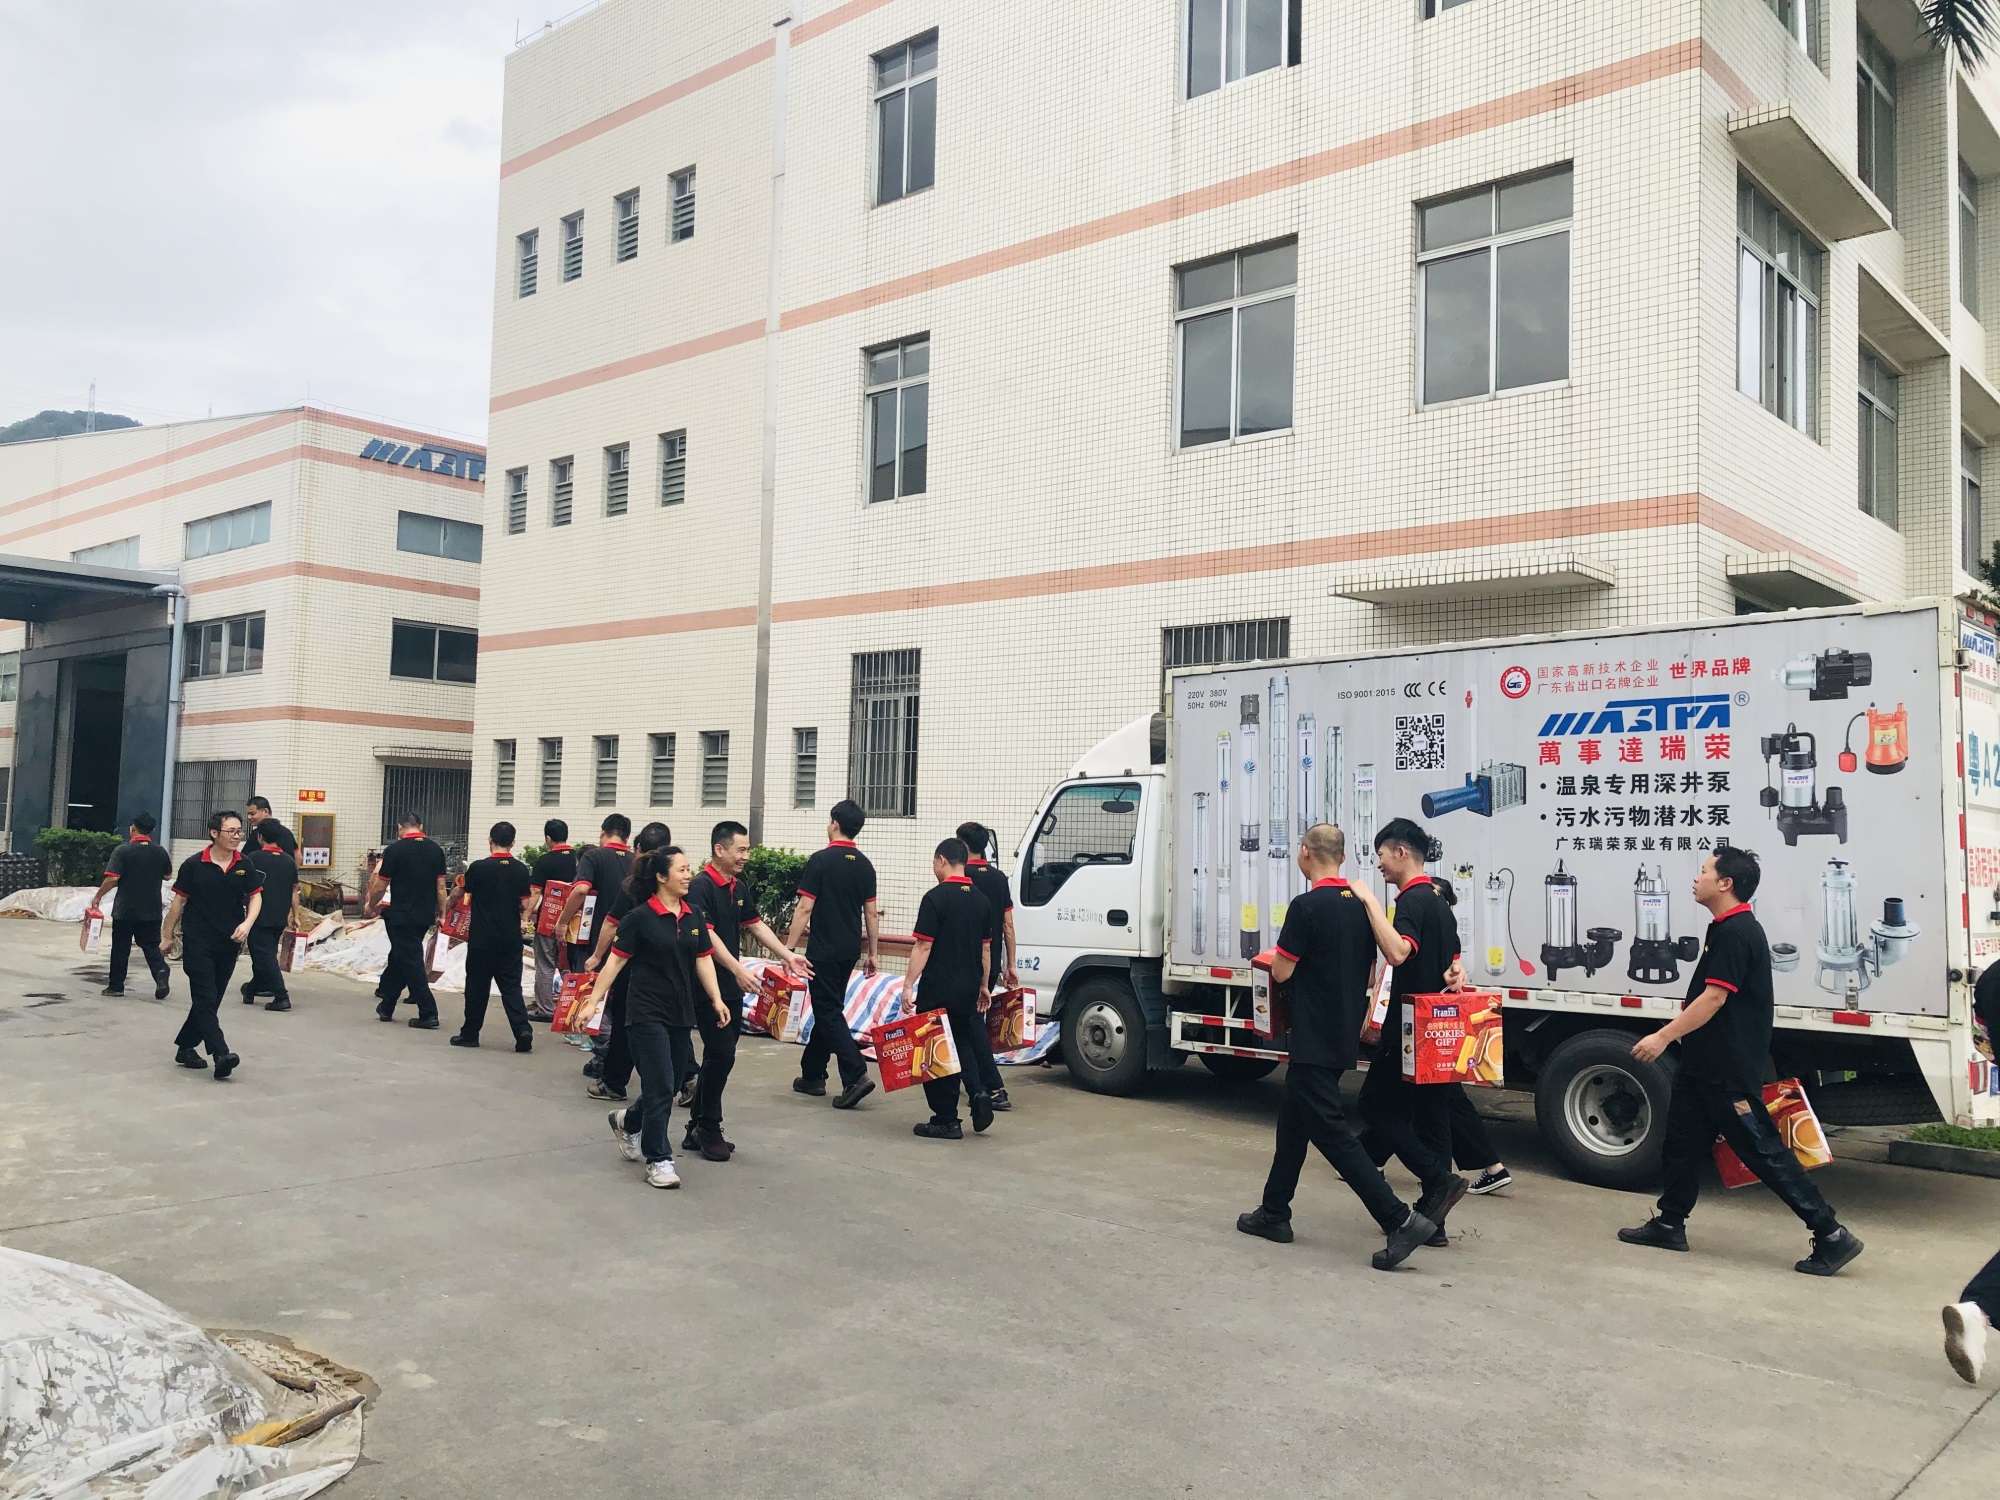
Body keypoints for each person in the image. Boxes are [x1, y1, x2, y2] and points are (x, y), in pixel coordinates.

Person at [1619, 847, 1864, 1275]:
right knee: (1680, 1144)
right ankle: (1670, 1222)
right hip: (1702, 1065)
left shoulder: (1737, 932)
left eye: (1704, 871)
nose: (1697, 879)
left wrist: (1662, 1036)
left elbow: (1714, 999)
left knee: (1762, 1151)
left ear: (1725, 883)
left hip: (1726, 1071)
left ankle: (1830, 1233)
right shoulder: (1724, 928)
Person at [1236, 824, 1438, 1271]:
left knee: (1332, 1134)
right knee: (1293, 1123)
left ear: (1305, 854)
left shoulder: (1305, 906)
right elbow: (1370, 975)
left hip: (1311, 1032)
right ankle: (1274, 1212)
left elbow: (1284, 972)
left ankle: (1400, 1218)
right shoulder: (1362, 909)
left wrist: (1281, 960)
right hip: (1342, 1031)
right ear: (1343, 858)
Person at [1350, 817, 1469, 1240]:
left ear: (1401, 852)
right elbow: (1454, 957)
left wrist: (1369, 904)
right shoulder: (1439, 897)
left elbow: (1399, 952)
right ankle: (1434, 1221)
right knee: (1434, 1117)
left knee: (1374, 1106)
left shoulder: (1413, 900)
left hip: (1411, 1028)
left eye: (1381, 855)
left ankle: (1437, 1179)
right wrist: (1456, 970)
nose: (1378, 864)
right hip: (1440, 1023)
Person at [595, 847, 729, 1188]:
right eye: (682, 870)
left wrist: (716, 999)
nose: (688, 875)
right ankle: (659, 1160)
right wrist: (592, 1001)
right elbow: (616, 961)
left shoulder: (693, 915)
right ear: (660, 877)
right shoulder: (639, 918)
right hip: (644, 1012)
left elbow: (703, 960)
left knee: (667, 1087)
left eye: (689, 869)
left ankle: (628, 1122)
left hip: (680, 1012)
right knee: (658, 1086)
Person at [684, 820, 812, 1160]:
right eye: (741, 849)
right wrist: (737, 968)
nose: (746, 856)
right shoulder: (700, 887)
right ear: (719, 850)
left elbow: (755, 924)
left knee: (718, 1056)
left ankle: (695, 1127)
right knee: (721, 1054)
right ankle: (709, 1126)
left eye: (747, 849)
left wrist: (787, 955)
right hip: (707, 982)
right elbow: (706, 935)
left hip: (730, 985)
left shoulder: (737, 887)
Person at [787, 800, 882, 1110]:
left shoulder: (821, 861)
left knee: (828, 1011)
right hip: (849, 950)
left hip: (823, 951)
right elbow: (871, 913)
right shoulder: (865, 864)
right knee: (830, 1010)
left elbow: (804, 907)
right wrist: (873, 953)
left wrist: (787, 948)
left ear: (835, 824)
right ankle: (812, 1074)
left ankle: (855, 1074)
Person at [160, 810, 263, 1080]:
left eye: (240, 831)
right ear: (214, 833)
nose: (237, 836)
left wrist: (247, 924)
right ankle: (220, 1054)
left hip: (229, 942)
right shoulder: (194, 865)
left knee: (211, 999)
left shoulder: (245, 864)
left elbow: (255, 897)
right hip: (198, 941)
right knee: (205, 997)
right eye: (231, 831)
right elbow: (178, 903)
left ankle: (185, 1047)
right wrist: (167, 936)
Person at [902, 838, 994, 1139]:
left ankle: (946, 1119)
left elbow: (923, 946)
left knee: (935, 1049)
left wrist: (907, 985)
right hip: (968, 987)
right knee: (963, 1043)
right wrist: (983, 986)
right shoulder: (981, 900)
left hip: (938, 987)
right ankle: (978, 1092)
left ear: (942, 860)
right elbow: (985, 952)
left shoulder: (935, 898)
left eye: (934, 863)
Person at [1431, 875, 1512, 1196]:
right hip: (1440, 1025)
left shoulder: (1433, 926)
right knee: (1409, 1096)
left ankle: (1489, 1166)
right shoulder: (1448, 928)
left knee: (1443, 1096)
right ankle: (1372, 1156)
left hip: (1434, 1027)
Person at [581, 821, 671, 1102]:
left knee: (624, 1023)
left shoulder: (634, 885)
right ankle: (686, 1077)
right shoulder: (677, 885)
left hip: (631, 966)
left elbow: (610, 923)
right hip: (670, 970)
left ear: (639, 849)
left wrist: (596, 956)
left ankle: (614, 1082)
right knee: (671, 1026)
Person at [451, 821, 537, 1052]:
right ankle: (522, 1030)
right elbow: (526, 903)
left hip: (482, 939)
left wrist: (445, 907)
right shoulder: (520, 869)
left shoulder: (478, 868)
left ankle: (470, 1034)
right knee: (511, 987)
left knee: (477, 988)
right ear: (513, 843)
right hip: (510, 939)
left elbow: (461, 892)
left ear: (490, 840)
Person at [366, 812, 449, 1028]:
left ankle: (428, 1011)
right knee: (402, 957)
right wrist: (442, 913)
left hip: (400, 914)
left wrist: (371, 905)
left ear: (399, 826)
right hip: (424, 915)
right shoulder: (435, 850)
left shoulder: (395, 850)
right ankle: (387, 1005)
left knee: (410, 961)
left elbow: (381, 885)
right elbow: (441, 887)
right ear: (421, 826)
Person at [957, 820, 1016, 1112]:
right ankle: (972, 1081)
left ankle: (992, 1087)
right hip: (991, 963)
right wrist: (1011, 964)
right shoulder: (998, 878)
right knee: (970, 1021)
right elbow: (1007, 925)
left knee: (970, 1023)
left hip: (963, 964)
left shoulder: (959, 875)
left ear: (962, 846)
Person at [92, 813, 172, 1000]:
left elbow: (112, 877)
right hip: (151, 909)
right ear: (152, 831)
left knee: (121, 948)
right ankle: (160, 971)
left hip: (125, 909)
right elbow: (168, 876)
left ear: (132, 828)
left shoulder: (122, 851)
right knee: (151, 946)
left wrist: (98, 897)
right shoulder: (160, 851)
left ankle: (116, 986)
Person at [239, 824, 304, 1011]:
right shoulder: (289, 861)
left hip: (259, 915)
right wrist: (295, 915)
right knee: (264, 955)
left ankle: (281, 996)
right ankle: (251, 989)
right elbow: (294, 891)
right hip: (280, 916)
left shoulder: (253, 859)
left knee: (264, 956)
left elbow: (244, 887)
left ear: (260, 837)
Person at [528, 820, 578, 1019]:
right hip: (575, 922)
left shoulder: (545, 861)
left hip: (549, 921)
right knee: (570, 964)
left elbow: (535, 892)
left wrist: (525, 916)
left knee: (545, 964)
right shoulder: (579, 858)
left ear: (548, 839)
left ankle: (546, 1009)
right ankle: (572, 1007)